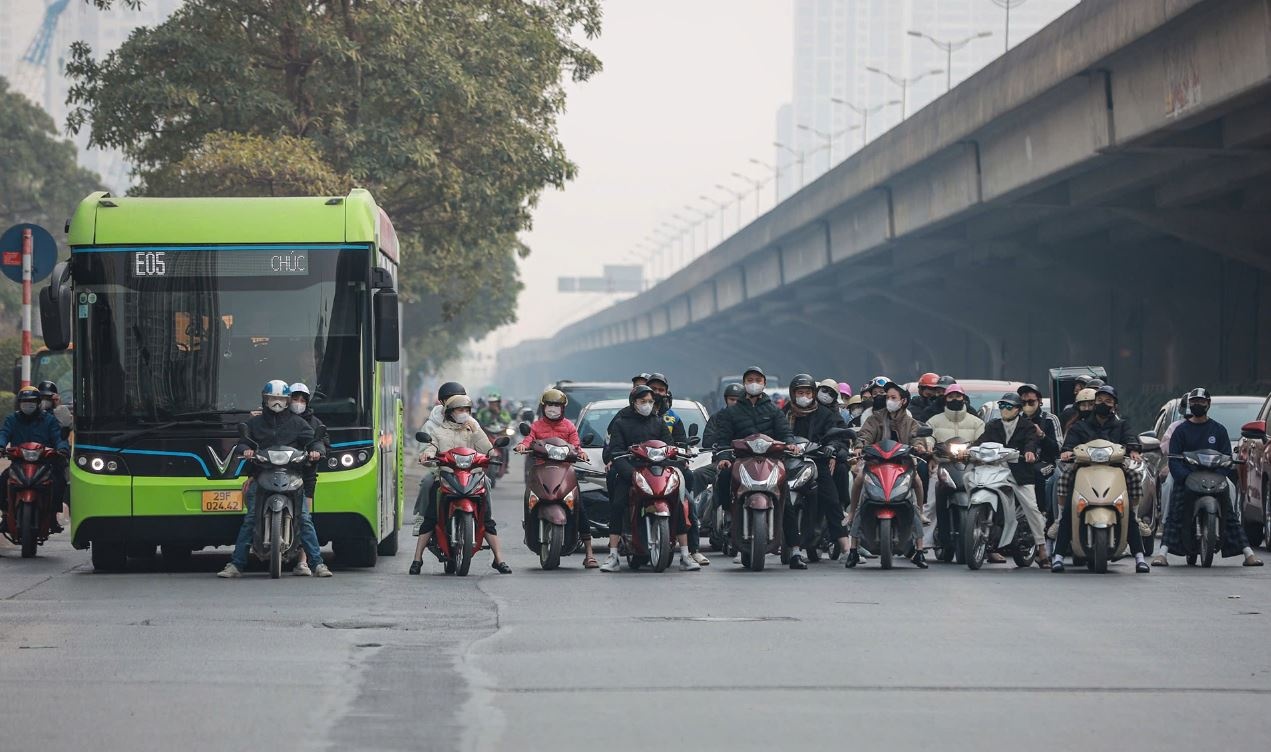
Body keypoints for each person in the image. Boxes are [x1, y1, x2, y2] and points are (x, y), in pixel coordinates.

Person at [218, 380, 325, 578]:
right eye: (272, 398)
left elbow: (314, 441)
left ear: (287, 400)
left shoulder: (298, 423)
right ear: (265, 400)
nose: (276, 402)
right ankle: (236, 565)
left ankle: (318, 563)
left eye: (281, 399)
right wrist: (246, 450)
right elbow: (242, 443)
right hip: (262, 477)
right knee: (250, 519)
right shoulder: (254, 423)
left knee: (305, 519)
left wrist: (316, 451)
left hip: (292, 476)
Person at [1153, 388, 1262, 567]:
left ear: (1208, 404)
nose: (1198, 405)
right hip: (1188, 479)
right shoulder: (1180, 431)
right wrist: (1185, 477)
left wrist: (1220, 475)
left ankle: (1248, 553)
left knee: (1230, 512)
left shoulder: (1218, 430)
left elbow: (1226, 457)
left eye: (1201, 402)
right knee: (1175, 510)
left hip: (1215, 477)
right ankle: (1163, 553)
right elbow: (1174, 460)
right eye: (1194, 402)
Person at [410, 394, 512, 575]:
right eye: (460, 410)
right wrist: (427, 454)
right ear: (449, 412)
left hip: (472, 476)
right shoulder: (438, 431)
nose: (464, 413)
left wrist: (491, 452)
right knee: (430, 517)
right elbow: (431, 447)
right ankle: (417, 559)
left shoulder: (473, 429)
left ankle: (499, 559)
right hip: (446, 476)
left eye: (466, 410)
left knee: (486, 518)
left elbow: (486, 448)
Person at [1051, 385, 1149, 573]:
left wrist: (1134, 450)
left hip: (1115, 469)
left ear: (1114, 405)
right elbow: (1069, 444)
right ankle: (1058, 553)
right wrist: (1067, 452)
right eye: (1100, 400)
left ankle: (1139, 553)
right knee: (1066, 485)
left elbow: (1131, 440)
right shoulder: (1081, 425)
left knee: (1134, 480)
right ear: (1094, 402)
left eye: (1108, 401)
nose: (1103, 403)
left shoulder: (1122, 425)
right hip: (1084, 469)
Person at [600, 386, 698, 572]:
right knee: (618, 503)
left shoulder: (659, 422)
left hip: (659, 471)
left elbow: (670, 447)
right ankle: (613, 555)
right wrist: (631, 474)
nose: (647, 405)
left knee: (678, 502)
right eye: (642, 401)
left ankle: (685, 554)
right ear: (633, 402)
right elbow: (616, 452)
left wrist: (676, 457)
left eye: (650, 402)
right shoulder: (621, 423)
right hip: (632, 471)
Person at [710, 367, 795, 565]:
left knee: (786, 498)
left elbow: (785, 434)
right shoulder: (732, 412)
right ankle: (729, 516)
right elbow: (723, 439)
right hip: (740, 460)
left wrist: (790, 443)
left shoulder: (774, 410)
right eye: (750, 379)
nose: (754, 383)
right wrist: (723, 457)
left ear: (764, 383)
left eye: (758, 379)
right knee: (723, 477)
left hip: (771, 461)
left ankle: (795, 548)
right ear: (744, 383)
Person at [845, 381, 928, 568]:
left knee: (917, 481)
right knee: (859, 481)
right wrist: (859, 447)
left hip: (903, 464)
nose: (889, 401)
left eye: (893, 398)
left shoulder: (910, 421)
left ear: (903, 401)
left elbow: (918, 437)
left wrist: (920, 446)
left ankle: (920, 543)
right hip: (875, 464)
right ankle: (852, 542)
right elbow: (864, 435)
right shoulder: (875, 418)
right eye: (887, 397)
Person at [514, 388, 598, 568]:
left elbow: (576, 445)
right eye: (550, 405)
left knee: (579, 507)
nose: (553, 409)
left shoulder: (569, 426)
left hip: (565, 471)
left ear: (563, 408)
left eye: (557, 405)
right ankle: (529, 526)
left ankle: (589, 553)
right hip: (540, 468)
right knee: (530, 498)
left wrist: (581, 453)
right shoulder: (537, 426)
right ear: (543, 407)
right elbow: (529, 438)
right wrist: (522, 445)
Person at [783, 376, 852, 569]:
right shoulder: (784, 413)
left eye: (807, 393)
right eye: (799, 393)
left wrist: (831, 447)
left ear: (813, 394)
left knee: (831, 500)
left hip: (817, 461)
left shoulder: (825, 414)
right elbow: (775, 432)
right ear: (792, 394)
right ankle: (755, 542)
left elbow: (837, 435)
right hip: (789, 461)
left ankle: (846, 548)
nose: (804, 397)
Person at [975, 393, 1049, 567]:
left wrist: (1029, 452)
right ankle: (990, 542)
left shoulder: (1028, 426)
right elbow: (981, 442)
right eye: (1002, 406)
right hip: (995, 469)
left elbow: (1031, 442)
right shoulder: (993, 425)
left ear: (1018, 409)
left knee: (1031, 506)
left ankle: (1041, 547)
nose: (1004, 410)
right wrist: (967, 449)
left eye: (1009, 407)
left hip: (1020, 473)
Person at [0, 386, 70, 533]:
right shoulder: (12, 419)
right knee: (3, 479)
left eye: (32, 401)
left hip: (43, 463)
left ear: (38, 402)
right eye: (24, 401)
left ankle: (52, 516)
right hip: (18, 464)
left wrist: (62, 448)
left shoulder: (49, 420)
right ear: (19, 403)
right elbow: (4, 434)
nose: (28, 404)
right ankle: (6, 516)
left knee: (58, 482)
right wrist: (1, 446)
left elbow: (58, 437)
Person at [287, 383, 332, 577]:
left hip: (306, 476)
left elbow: (322, 443)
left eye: (302, 400)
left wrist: (317, 452)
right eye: (294, 399)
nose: (298, 403)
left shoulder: (314, 423)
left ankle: (303, 561)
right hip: (280, 474)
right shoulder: (279, 420)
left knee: (305, 519)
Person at [1017, 383, 1061, 526]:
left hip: (1045, 462)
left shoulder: (1050, 419)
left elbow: (1059, 448)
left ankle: (1041, 512)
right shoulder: (1017, 420)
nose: (1027, 405)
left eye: (1031, 402)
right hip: (1021, 462)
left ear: (1039, 401)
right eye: (1023, 402)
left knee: (1035, 471)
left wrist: (1041, 435)